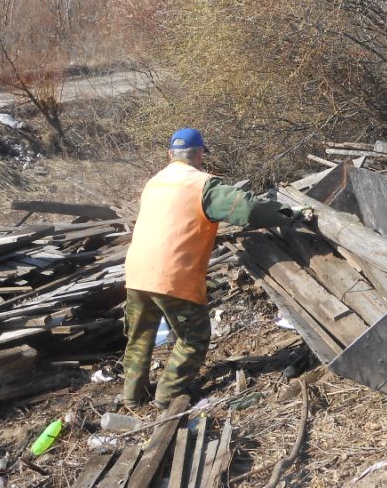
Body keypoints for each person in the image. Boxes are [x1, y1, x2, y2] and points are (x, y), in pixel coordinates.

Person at [121, 127, 306, 409]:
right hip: (172, 276)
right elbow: (247, 211)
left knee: (139, 336)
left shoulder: (154, 182)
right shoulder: (201, 184)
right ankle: (167, 396)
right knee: (193, 338)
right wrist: (288, 214)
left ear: (170, 154)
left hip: (136, 274)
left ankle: (133, 396)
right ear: (199, 154)